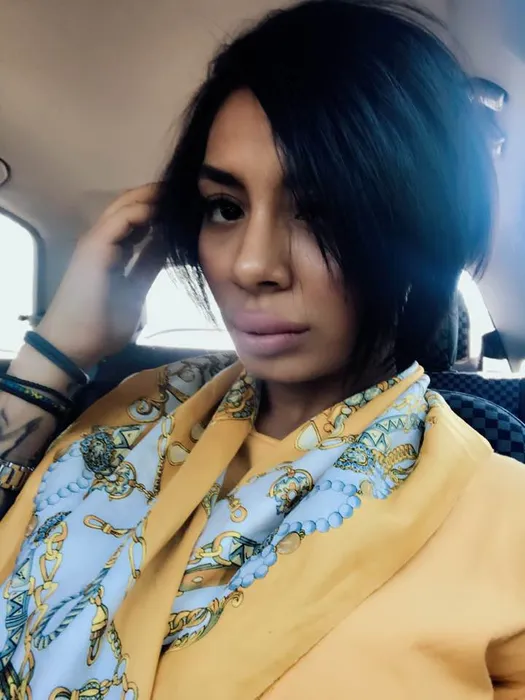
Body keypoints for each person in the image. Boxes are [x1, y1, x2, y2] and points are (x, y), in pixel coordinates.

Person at [0, 1, 524, 698]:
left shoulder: (504, 520)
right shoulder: (129, 414)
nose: (251, 265)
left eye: (324, 213)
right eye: (225, 208)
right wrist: (56, 353)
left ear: (422, 232)